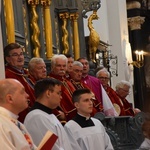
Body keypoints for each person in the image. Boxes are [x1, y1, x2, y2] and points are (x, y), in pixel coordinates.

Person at [24, 78, 81, 150]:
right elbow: (49, 147)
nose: (61, 97)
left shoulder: (47, 115)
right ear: (48, 93)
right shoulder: (37, 117)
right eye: (58, 93)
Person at [0, 79, 36, 150]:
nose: (27, 95)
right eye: (22, 92)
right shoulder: (1, 124)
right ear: (10, 98)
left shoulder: (16, 123)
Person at [4, 42, 35, 122]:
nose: (20, 57)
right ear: (8, 59)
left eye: (21, 54)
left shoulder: (25, 73)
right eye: (15, 55)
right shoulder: (8, 75)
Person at [49, 54, 76, 121]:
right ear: (52, 67)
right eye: (59, 66)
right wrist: (57, 113)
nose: (62, 68)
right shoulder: (49, 82)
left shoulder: (67, 81)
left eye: (64, 66)